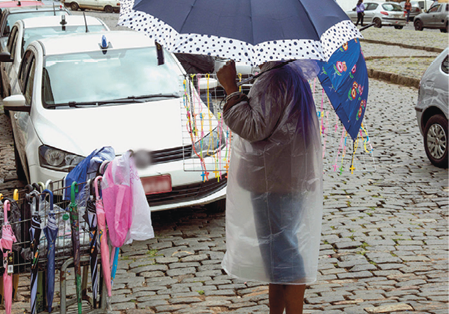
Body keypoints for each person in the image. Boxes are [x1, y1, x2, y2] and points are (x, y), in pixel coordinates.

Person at [217, 60, 323, 314]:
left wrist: (231, 88)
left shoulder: (273, 80)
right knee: (276, 258)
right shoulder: (290, 75)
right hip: (284, 177)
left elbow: (254, 127)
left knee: (285, 255)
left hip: (274, 181)